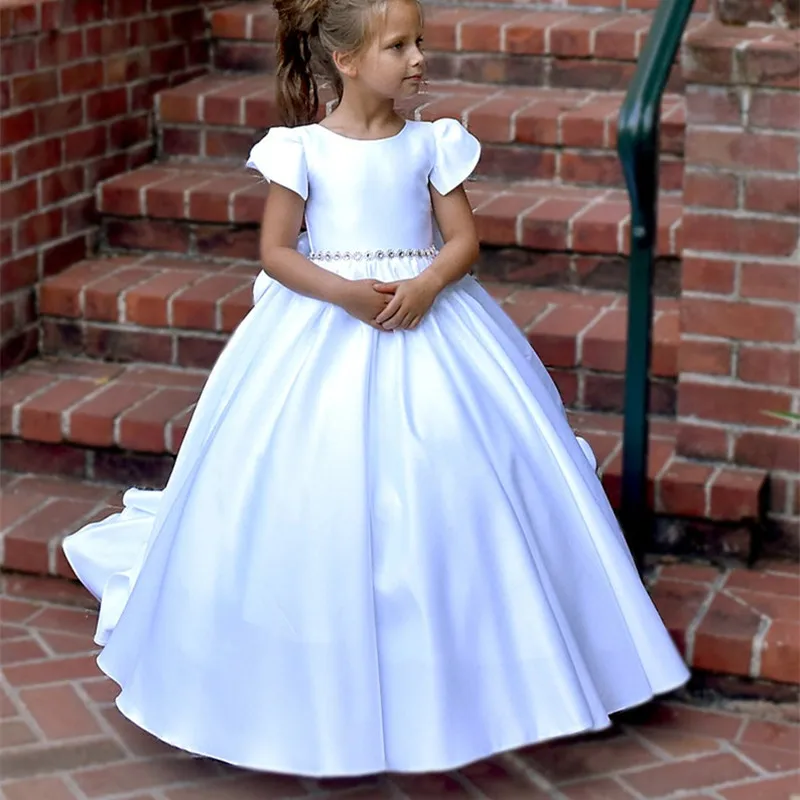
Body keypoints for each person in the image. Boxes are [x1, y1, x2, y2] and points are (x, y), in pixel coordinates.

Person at [62, 0, 689, 778]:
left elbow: (463, 241)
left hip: (432, 323)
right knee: (317, 489)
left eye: (419, 41)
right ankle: (314, 679)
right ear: (350, 61)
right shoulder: (300, 149)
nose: (420, 57)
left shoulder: (432, 142)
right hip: (329, 323)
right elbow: (276, 251)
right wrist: (343, 293)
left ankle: (485, 673)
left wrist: (426, 284)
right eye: (400, 45)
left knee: (456, 484)